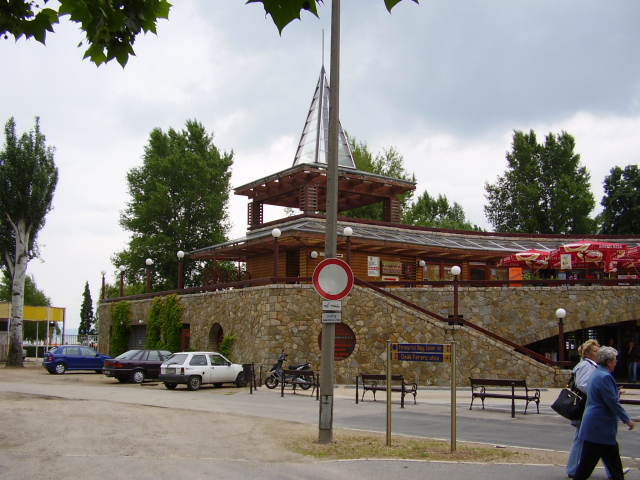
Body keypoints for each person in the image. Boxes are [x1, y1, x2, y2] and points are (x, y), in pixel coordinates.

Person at [574, 347, 635, 480]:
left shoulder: (597, 373)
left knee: (602, 464)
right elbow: (612, 402)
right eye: (614, 360)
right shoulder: (605, 376)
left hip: (596, 426)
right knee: (590, 466)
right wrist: (627, 419)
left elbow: (604, 395)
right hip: (600, 426)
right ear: (609, 362)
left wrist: (615, 392)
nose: (616, 362)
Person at [566, 340, 611, 478]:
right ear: (587, 353)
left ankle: (573, 469)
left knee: (585, 438)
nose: (598, 354)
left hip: (585, 407)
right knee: (597, 438)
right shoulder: (586, 365)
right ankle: (612, 470)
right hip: (585, 407)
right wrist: (598, 392)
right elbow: (582, 384)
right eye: (595, 351)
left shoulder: (589, 365)